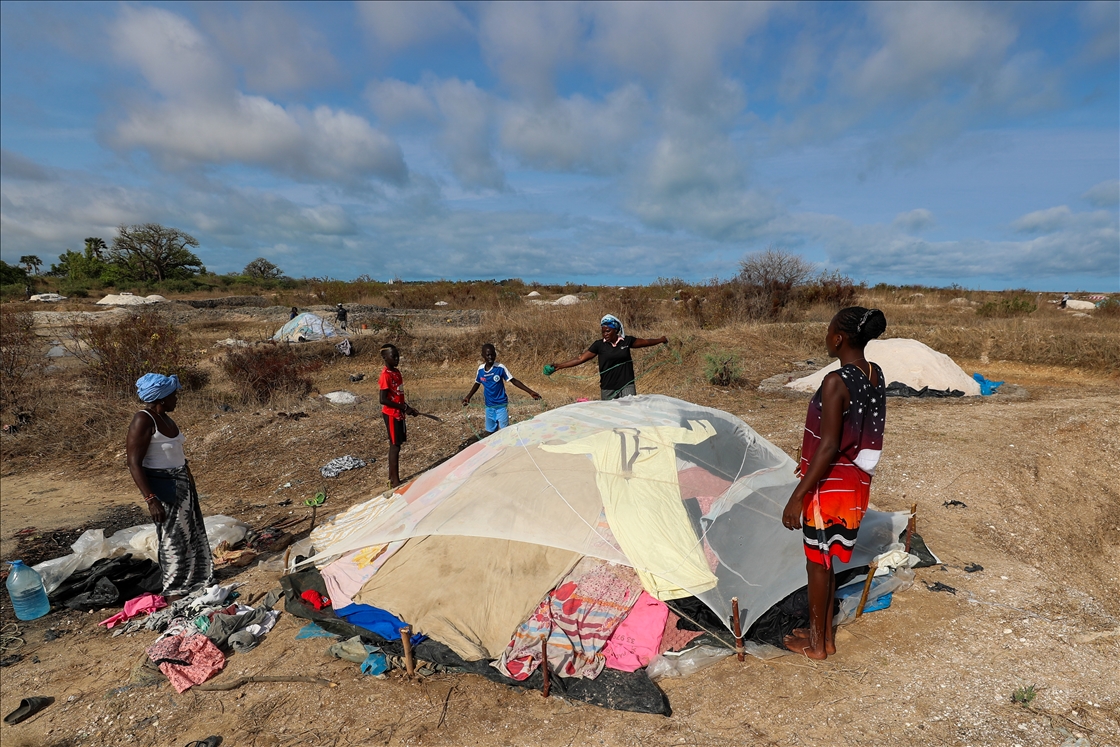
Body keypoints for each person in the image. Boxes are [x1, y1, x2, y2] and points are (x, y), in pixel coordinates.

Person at [781, 307, 887, 660]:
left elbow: (828, 446)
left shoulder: (835, 381)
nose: (826, 337)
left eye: (828, 332)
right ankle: (821, 634)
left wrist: (799, 496)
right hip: (854, 483)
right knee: (825, 562)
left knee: (816, 564)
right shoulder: (873, 373)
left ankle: (817, 645)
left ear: (838, 338)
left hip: (830, 485)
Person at [125, 373, 212, 601]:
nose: (177, 399)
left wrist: (187, 478)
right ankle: (174, 588)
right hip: (163, 488)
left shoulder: (167, 419)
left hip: (182, 484)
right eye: (174, 395)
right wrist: (151, 499)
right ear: (161, 398)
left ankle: (196, 578)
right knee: (172, 539)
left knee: (191, 533)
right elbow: (134, 464)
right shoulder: (143, 420)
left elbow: (174, 454)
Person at [546, 314, 668, 400]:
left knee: (630, 414)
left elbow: (646, 342)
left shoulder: (626, 341)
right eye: (603, 331)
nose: (605, 334)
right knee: (611, 417)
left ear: (616, 330)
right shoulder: (599, 345)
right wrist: (560, 366)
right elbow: (580, 359)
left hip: (627, 385)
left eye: (608, 331)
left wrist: (661, 339)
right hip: (608, 387)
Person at [462, 343, 541, 434]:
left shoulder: (500, 368)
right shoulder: (480, 370)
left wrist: (530, 392)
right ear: (483, 355)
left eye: (493, 354)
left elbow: (513, 381)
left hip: (501, 406)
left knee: (505, 432)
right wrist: (468, 397)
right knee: (490, 432)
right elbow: (477, 383)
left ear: (495, 354)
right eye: (488, 355)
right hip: (489, 407)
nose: (490, 357)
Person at [379, 344, 418, 488]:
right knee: (394, 446)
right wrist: (402, 407)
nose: (397, 359)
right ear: (384, 358)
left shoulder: (397, 373)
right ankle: (395, 481)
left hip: (399, 413)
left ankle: (392, 477)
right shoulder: (385, 375)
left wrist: (408, 408)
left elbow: (398, 396)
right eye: (393, 356)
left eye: (397, 356)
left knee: (398, 445)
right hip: (391, 415)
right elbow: (383, 399)